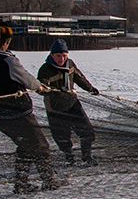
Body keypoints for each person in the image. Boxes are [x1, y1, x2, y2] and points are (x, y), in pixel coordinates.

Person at [0, 22, 61, 194]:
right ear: (6, 42)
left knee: (25, 146)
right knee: (40, 146)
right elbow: (27, 80)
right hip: (19, 114)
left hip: (1, 115)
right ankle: (49, 180)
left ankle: (21, 184)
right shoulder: (8, 60)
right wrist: (40, 87)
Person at [37, 39, 100, 167]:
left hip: (72, 103)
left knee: (87, 131)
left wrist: (90, 88)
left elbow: (79, 78)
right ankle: (69, 158)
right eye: (58, 56)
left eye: (64, 55)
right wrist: (54, 92)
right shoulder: (45, 69)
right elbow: (41, 88)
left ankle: (87, 156)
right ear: (51, 55)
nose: (61, 59)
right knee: (62, 136)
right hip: (55, 108)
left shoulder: (69, 64)